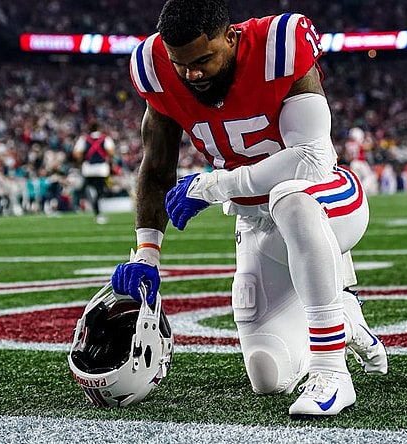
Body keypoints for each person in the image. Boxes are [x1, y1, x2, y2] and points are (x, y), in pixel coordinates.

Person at [110, 0, 387, 419]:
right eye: (181, 64)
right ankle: (345, 316)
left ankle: (333, 373)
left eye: (203, 59)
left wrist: (218, 185)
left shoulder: (279, 45)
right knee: (267, 373)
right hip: (255, 221)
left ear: (231, 37)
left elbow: (311, 158)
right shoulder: (155, 67)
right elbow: (156, 166)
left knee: (291, 198)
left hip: (326, 201)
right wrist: (147, 255)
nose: (192, 74)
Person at [72, 122, 116, 224]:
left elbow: (76, 153)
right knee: (100, 192)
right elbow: (111, 152)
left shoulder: (84, 139)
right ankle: (97, 214)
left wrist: (84, 159)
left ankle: (78, 205)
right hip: (101, 169)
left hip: (88, 169)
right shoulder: (105, 138)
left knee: (84, 189)